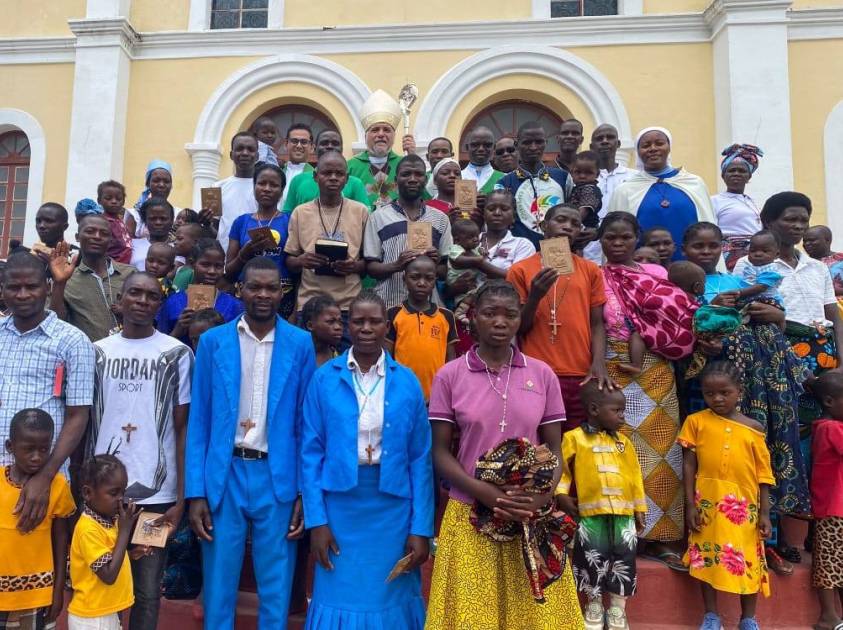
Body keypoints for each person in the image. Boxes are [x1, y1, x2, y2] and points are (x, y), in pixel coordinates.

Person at [426, 280, 584, 629]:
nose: (500, 322)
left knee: (533, 615)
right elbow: (439, 451)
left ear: (519, 320)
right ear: (473, 318)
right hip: (469, 510)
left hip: (528, 514)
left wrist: (540, 498)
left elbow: (554, 449)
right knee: (471, 613)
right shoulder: (450, 375)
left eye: (510, 315)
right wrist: (483, 492)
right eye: (490, 313)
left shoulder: (542, 374)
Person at [186, 257, 314, 629]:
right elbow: (200, 422)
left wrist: (304, 493)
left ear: (281, 292)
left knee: (276, 586)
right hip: (224, 476)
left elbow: (306, 424)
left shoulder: (300, 343)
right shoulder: (212, 343)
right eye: (254, 286)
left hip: (278, 477)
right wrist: (196, 493)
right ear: (239, 290)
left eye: (271, 287)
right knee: (219, 584)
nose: (262, 294)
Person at [683, 221, 810, 573]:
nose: (707, 252)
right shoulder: (683, 284)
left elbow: (774, 319)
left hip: (755, 383)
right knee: (713, 462)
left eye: (713, 246)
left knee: (753, 456)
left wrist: (775, 315)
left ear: (723, 248)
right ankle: (709, 535)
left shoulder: (738, 281)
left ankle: (764, 541)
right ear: (685, 249)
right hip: (709, 384)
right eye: (698, 246)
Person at [301, 291, 432, 629]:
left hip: (393, 509)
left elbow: (420, 460)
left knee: (390, 595)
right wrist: (317, 521)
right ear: (348, 325)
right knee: (338, 593)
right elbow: (311, 454)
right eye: (358, 321)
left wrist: (420, 528)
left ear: (387, 326)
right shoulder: (325, 378)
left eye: (374, 321)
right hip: (340, 507)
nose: (366, 328)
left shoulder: (407, 381)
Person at [89, 271, 192, 630]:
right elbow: (86, 419)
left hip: (156, 495)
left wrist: (180, 498)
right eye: (135, 293)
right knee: (103, 582)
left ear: (160, 304)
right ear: (121, 300)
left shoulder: (176, 354)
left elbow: (182, 429)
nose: (142, 301)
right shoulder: (98, 352)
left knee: (148, 590)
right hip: (102, 494)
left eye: (151, 296)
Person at [597, 212, 687, 568]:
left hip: (654, 368)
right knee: (615, 452)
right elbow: (594, 324)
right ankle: (620, 536)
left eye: (625, 237)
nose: (618, 244)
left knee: (663, 454)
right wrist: (599, 364)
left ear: (637, 238)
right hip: (612, 365)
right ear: (600, 240)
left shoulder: (657, 275)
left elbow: (673, 316)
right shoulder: (594, 275)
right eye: (610, 238)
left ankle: (661, 538)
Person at [0, 253, 93, 533]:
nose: (23, 294)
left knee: (37, 566)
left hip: (42, 478)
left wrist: (44, 476)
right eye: (14, 287)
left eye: (32, 286)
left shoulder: (73, 341)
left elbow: (78, 415)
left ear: (48, 287)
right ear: (3, 290)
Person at [679, 361, 774, 630]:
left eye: (724, 393)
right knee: (707, 557)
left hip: (744, 506)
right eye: (710, 394)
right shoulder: (695, 422)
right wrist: (690, 505)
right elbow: (688, 464)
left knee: (749, 560)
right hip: (707, 502)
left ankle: (748, 619)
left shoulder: (753, 428)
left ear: (739, 391)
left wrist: (765, 512)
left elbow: (764, 475)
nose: (717, 399)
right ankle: (711, 616)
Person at [507, 203, 611, 426]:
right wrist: (535, 295)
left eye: (575, 224)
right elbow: (519, 328)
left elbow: (597, 324)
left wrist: (599, 362)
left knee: (576, 441)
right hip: (535, 371)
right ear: (544, 226)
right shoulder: (521, 269)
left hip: (580, 371)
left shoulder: (590, 270)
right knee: (540, 444)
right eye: (561, 220)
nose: (568, 227)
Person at [557, 382, 646, 630]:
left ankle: (618, 609)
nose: (622, 416)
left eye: (623, 411)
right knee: (590, 556)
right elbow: (561, 470)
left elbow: (634, 476)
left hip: (623, 514)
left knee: (624, 559)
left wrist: (639, 508)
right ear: (594, 409)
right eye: (616, 411)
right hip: (590, 513)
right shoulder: (574, 438)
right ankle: (594, 603)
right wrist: (561, 495)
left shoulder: (624, 444)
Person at [0, 409, 75, 629]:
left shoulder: (58, 486)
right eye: (28, 449)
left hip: (37, 597)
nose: (36, 457)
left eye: (44, 450)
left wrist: (58, 589)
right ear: (10, 447)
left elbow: (61, 543)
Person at [285, 151, 369, 333]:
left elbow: (369, 262)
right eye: (326, 173)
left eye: (339, 174)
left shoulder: (360, 211)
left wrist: (353, 266)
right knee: (310, 359)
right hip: (310, 304)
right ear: (316, 176)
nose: (333, 178)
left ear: (347, 179)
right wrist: (302, 261)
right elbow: (290, 260)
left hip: (349, 304)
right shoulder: (300, 212)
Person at [606, 127, 716, 260]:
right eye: (646, 145)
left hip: (691, 267)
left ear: (669, 147)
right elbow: (614, 236)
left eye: (659, 143)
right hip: (642, 269)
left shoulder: (694, 183)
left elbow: (709, 226)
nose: (653, 148)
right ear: (638, 151)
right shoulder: (625, 190)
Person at [363, 154, 452, 309]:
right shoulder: (378, 217)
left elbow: (445, 270)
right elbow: (371, 268)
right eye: (406, 174)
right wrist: (397, 265)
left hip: (428, 308)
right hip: (389, 305)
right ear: (396, 180)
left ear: (425, 180)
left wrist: (435, 262)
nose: (412, 179)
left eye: (418, 174)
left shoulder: (440, 219)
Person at [68, 455, 139, 630]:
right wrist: (124, 532)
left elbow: (109, 557)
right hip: (92, 618)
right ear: (88, 493)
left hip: (104, 612)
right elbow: (108, 574)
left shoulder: (108, 521)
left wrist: (131, 554)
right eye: (113, 493)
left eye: (123, 492)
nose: (120, 499)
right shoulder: (88, 529)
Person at [49, 215, 137, 341]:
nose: (97, 236)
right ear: (77, 237)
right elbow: (56, 322)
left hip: (126, 355)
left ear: (111, 239)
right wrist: (59, 283)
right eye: (90, 231)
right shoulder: (67, 279)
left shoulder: (130, 273)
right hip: (87, 356)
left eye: (104, 233)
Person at [386, 256, 458, 401]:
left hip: (436, 396)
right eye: (415, 277)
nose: (421, 283)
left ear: (435, 281)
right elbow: (387, 358)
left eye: (429, 278)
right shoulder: (393, 314)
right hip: (401, 394)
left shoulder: (446, 316)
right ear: (404, 279)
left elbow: (450, 359)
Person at [495, 121, 572, 249]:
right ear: (517, 145)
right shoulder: (504, 183)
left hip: (559, 251)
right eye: (527, 142)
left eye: (539, 142)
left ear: (546, 143)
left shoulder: (563, 177)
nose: (533, 147)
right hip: (520, 253)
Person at [807, 371, 843, 630]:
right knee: (829, 563)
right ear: (830, 402)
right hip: (833, 507)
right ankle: (828, 616)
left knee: (836, 561)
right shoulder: (831, 428)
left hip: (837, 507)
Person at [158, 239, 243, 343]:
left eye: (218, 266)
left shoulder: (234, 305)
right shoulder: (172, 302)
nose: (212, 271)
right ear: (192, 263)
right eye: (205, 265)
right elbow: (159, 346)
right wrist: (177, 331)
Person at [224, 163, 291, 287]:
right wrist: (244, 254)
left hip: (281, 293)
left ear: (282, 191)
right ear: (254, 187)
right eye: (261, 183)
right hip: (247, 293)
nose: (267, 188)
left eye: (274, 185)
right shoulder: (241, 222)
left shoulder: (290, 221)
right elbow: (228, 271)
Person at [347, 89, 416, 209]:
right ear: (365, 136)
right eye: (375, 130)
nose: (381, 134)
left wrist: (413, 158)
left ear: (394, 136)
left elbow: (422, 197)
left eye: (387, 130)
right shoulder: (350, 167)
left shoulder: (404, 164)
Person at [282, 129, 370, 212]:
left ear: (342, 149)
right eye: (324, 143)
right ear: (315, 148)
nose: (330, 146)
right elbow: (288, 215)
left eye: (335, 143)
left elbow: (364, 217)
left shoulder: (355, 184)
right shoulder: (298, 180)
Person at [711, 144, 764, 270]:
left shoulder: (751, 201)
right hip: (729, 258)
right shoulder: (714, 201)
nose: (736, 174)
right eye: (731, 170)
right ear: (723, 175)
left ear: (749, 176)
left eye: (741, 171)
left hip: (755, 256)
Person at [216, 132, 260, 256]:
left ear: (257, 156)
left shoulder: (265, 188)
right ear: (231, 155)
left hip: (256, 256)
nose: (245, 153)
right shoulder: (217, 187)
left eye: (250, 149)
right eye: (239, 149)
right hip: (224, 257)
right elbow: (213, 227)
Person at [127, 160, 180, 240]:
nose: (161, 185)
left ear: (171, 185)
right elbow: (127, 246)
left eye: (166, 181)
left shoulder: (179, 214)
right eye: (156, 181)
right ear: (148, 184)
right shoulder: (135, 215)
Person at [734, 230, 785, 307]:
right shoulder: (749, 266)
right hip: (752, 298)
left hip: (768, 301)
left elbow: (761, 287)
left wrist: (739, 292)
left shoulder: (771, 269)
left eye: (765, 251)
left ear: (776, 254)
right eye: (753, 251)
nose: (758, 254)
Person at [446, 219, 484, 323]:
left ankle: (465, 314)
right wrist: (477, 259)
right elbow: (458, 259)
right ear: (457, 240)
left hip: (470, 282)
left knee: (475, 295)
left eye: (477, 236)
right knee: (468, 297)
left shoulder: (473, 248)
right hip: (456, 280)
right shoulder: (455, 248)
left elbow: (479, 254)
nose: (475, 239)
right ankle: (460, 313)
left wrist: (481, 253)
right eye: (470, 237)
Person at [568, 150, 603, 254]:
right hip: (577, 225)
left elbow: (583, 211)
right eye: (578, 172)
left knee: (578, 248)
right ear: (571, 172)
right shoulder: (577, 188)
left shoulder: (590, 189)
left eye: (588, 173)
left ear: (597, 174)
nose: (582, 176)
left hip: (585, 227)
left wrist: (569, 223)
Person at [461, 126, 504, 205]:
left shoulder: (504, 178)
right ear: (467, 147)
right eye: (475, 145)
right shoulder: (457, 178)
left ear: (494, 148)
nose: (481, 149)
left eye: (487, 145)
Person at [130, 197, 175, 272]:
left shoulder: (178, 250)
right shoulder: (132, 245)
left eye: (163, 219)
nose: (158, 222)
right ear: (145, 220)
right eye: (152, 218)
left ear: (172, 221)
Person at [300, 294, 343, 367]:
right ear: (310, 325)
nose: (338, 327)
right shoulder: (297, 356)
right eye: (330, 321)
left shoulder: (340, 360)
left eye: (340, 322)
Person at [97, 180, 133, 265]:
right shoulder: (102, 223)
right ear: (99, 200)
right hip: (112, 269)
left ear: (123, 201)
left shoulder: (120, 221)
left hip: (125, 268)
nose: (114, 201)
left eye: (118, 199)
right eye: (108, 198)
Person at [804, 225, 843, 301]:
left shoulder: (841, 260)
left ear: (827, 240)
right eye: (804, 241)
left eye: (812, 240)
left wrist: (827, 291)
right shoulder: (801, 263)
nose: (806, 244)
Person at [280, 123, 314, 208]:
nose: (299, 146)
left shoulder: (316, 176)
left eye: (304, 142)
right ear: (286, 144)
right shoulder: (277, 174)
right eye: (294, 141)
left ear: (312, 147)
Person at [172, 223, 208, 292]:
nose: (175, 242)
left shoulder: (194, 273)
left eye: (180, 239)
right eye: (175, 239)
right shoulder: (180, 269)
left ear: (195, 242)